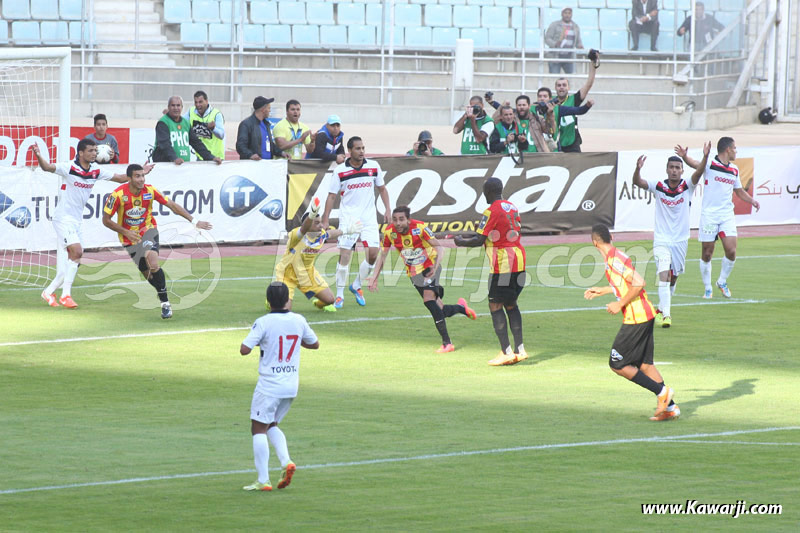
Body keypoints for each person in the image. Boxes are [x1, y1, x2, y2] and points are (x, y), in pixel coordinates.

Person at [33, 139, 153, 309]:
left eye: (96, 150)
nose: (94, 153)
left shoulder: (96, 170)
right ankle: (66, 295)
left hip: (76, 220)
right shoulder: (69, 167)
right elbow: (47, 167)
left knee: (74, 259)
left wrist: (141, 171)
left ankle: (49, 291)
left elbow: (120, 179)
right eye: (90, 150)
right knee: (77, 251)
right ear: (81, 153)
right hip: (63, 218)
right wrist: (39, 155)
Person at [584, 224, 679, 421]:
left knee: (617, 363)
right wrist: (604, 290)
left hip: (637, 317)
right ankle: (670, 408)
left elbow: (638, 282)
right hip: (645, 314)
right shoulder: (615, 256)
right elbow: (623, 284)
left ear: (594, 243)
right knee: (645, 365)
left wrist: (619, 304)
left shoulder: (614, 260)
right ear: (610, 237)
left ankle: (662, 393)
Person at [101, 163, 212, 319]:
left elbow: (172, 205)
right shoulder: (118, 195)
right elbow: (106, 220)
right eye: (137, 176)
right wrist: (127, 232)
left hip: (148, 231)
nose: (141, 179)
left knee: (153, 264)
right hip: (128, 239)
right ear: (129, 178)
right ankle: (162, 290)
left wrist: (194, 221)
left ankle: (165, 304)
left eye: (143, 176)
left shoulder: (150, 191)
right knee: (148, 275)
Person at [240, 281, 319, 492]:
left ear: (268, 301)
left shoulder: (263, 322)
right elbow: (315, 344)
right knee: (271, 423)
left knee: (258, 428)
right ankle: (286, 462)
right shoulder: (299, 320)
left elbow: (244, 349)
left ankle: (263, 480)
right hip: (291, 384)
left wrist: (263, 341)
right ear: (287, 300)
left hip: (269, 385)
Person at [367, 206, 477, 353]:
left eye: (401, 219)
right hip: (413, 273)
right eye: (395, 220)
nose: (398, 223)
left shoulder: (420, 228)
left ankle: (447, 343)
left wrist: (435, 266)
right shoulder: (389, 233)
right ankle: (462, 308)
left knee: (428, 300)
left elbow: (440, 248)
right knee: (440, 309)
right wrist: (374, 277)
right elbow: (383, 256)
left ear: (408, 219)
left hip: (430, 266)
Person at [454, 178, 527, 366]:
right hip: (519, 259)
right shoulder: (512, 207)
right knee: (511, 304)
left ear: (487, 191)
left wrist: (461, 241)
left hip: (503, 263)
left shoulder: (491, 210)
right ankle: (520, 349)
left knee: (495, 305)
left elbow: (479, 239)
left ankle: (506, 352)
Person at [675, 138, 760, 298]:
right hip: (709, 215)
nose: (736, 151)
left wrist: (752, 200)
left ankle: (722, 281)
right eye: (735, 148)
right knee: (707, 252)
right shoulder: (710, 164)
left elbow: (739, 191)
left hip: (726, 215)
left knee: (731, 251)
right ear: (728, 149)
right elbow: (695, 164)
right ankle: (707, 288)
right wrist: (685, 157)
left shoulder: (734, 169)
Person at [321, 136, 391, 309]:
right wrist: (325, 218)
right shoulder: (340, 171)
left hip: (369, 217)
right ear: (349, 151)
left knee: (373, 254)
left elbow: (382, 188)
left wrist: (388, 209)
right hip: (349, 218)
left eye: (363, 148)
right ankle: (339, 295)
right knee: (345, 256)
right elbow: (332, 196)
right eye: (358, 149)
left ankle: (356, 285)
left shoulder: (373, 166)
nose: (361, 152)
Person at [631, 154, 700, 327]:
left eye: (678, 168)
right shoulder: (658, 186)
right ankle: (667, 316)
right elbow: (638, 182)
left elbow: (699, 172)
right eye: (672, 167)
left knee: (673, 277)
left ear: (682, 170)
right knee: (664, 274)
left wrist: (705, 157)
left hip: (680, 240)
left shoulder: (687, 186)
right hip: (661, 239)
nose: (674, 171)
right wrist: (638, 169)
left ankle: (661, 308)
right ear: (667, 169)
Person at [274, 199, 361, 312]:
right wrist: (311, 215)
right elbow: (304, 228)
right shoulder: (297, 235)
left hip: (307, 274)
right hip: (287, 275)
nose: (321, 225)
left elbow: (330, 234)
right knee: (285, 310)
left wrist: (347, 230)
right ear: (308, 224)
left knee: (330, 300)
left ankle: (318, 303)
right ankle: (271, 300)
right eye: (316, 223)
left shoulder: (320, 235)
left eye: (320, 222)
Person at [151, 96, 221, 165]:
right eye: (173, 105)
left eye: (178, 105)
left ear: (182, 107)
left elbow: (196, 143)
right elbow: (164, 144)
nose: (176, 108)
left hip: (183, 165)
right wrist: (174, 158)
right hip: (166, 165)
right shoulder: (163, 123)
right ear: (168, 107)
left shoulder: (186, 123)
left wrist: (210, 157)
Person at [553, 59, 597, 152]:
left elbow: (588, 84)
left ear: (568, 88)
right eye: (559, 85)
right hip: (554, 144)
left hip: (572, 143)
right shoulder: (551, 102)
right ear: (555, 88)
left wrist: (593, 63)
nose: (561, 87)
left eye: (564, 85)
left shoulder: (574, 99)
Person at [236, 96, 282, 161]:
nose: (270, 110)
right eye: (269, 108)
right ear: (263, 110)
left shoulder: (266, 124)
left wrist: (281, 152)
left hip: (267, 166)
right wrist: (250, 155)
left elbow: (269, 144)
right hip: (253, 166)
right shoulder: (246, 124)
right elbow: (240, 146)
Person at [184, 90, 225, 161]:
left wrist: (213, 128)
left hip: (216, 157)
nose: (198, 105)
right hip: (199, 156)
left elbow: (221, 135)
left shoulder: (216, 114)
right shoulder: (191, 112)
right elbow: (181, 121)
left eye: (200, 102)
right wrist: (171, 116)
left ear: (207, 101)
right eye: (196, 102)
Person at [544, 7, 584, 74]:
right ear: (562, 14)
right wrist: (555, 44)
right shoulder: (555, 25)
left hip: (569, 57)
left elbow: (578, 40)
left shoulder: (575, 26)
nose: (567, 15)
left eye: (569, 13)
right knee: (555, 78)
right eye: (565, 13)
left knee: (572, 77)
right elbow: (547, 38)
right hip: (555, 56)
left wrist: (580, 46)